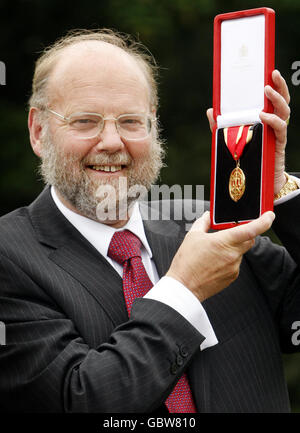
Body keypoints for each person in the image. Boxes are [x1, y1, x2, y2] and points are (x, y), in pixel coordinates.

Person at [0, 28, 299, 413]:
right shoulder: (10, 256)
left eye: (130, 121)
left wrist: (279, 189)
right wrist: (185, 289)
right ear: (39, 132)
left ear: (154, 127)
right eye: (85, 121)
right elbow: (80, 400)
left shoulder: (211, 225)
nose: (111, 142)